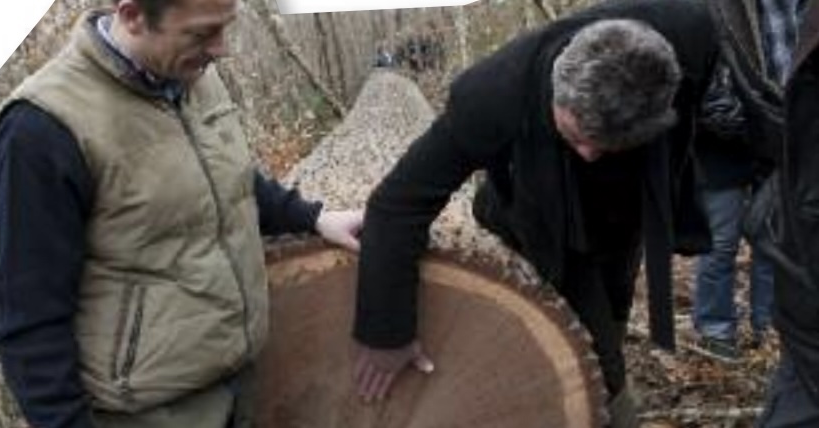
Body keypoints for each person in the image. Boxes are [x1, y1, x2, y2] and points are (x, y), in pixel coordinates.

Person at [0, 0, 363, 427]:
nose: (221, 49)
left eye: (225, 28)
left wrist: (312, 217)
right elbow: (26, 319)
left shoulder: (192, 74)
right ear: (132, 16)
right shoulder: (43, 129)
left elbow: (226, 180)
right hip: (150, 413)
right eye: (202, 34)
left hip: (238, 387)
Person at [350, 0, 717, 426]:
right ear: (558, 88)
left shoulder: (689, 32)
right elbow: (398, 203)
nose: (588, 154)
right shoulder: (490, 94)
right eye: (577, 136)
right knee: (598, 347)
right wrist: (385, 333)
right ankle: (610, 398)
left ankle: (607, 343)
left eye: (603, 144)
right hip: (542, 205)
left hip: (627, 198)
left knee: (616, 291)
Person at [707, 0, 819, 425]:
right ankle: (718, 329)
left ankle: (761, 324)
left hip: (790, 152)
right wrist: (759, 129)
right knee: (724, 245)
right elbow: (715, 91)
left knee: (772, 253)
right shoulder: (725, 12)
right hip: (745, 153)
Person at [691, 62, 774, 363]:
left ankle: (770, 329)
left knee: (771, 243)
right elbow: (706, 101)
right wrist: (754, 124)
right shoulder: (709, 29)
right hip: (720, 155)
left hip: (769, 151)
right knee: (720, 244)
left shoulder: (783, 22)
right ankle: (716, 333)